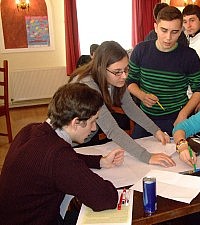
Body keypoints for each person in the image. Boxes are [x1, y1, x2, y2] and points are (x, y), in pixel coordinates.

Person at [0, 83, 125, 225]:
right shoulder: (58, 155)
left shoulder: (30, 130)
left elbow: (63, 160)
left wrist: (100, 161)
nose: (94, 128)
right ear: (75, 122)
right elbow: (105, 199)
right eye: (92, 121)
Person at [69, 41, 175, 167]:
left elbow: (131, 108)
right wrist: (147, 156)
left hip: (88, 136)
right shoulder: (87, 85)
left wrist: (156, 131)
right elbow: (111, 129)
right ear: (101, 69)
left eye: (126, 69)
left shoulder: (116, 79)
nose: (124, 76)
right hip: (72, 142)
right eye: (117, 71)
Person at [127, 6, 200, 138]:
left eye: (174, 32)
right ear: (156, 27)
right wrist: (141, 95)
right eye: (164, 30)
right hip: (145, 118)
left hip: (175, 117)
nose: (168, 37)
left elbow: (199, 90)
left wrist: (183, 114)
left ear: (181, 30)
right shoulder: (141, 50)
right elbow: (130, 81)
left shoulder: (189, 56)